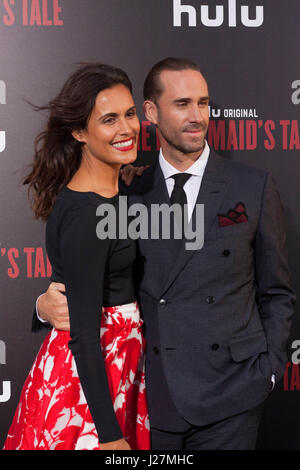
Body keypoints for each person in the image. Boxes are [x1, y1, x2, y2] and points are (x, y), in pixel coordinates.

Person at [33, 58, 295, 450]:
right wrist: (41, 306)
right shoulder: (128, 189)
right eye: (183, 104)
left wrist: (270, 371)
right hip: (151, 400)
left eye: (203, 103)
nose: (197, 117)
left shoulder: (252, 187)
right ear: (153, 112)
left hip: (233, 396)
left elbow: (277, 292)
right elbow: (96, 277)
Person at [3, 63, 150, 451]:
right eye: (109, 119)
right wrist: (110, 436)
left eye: (130, 114)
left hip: (114, 369)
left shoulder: (114, 192)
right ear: (80, 132)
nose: (127, 128)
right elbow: (85, 334)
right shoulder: (88, 215)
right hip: (87, 388)